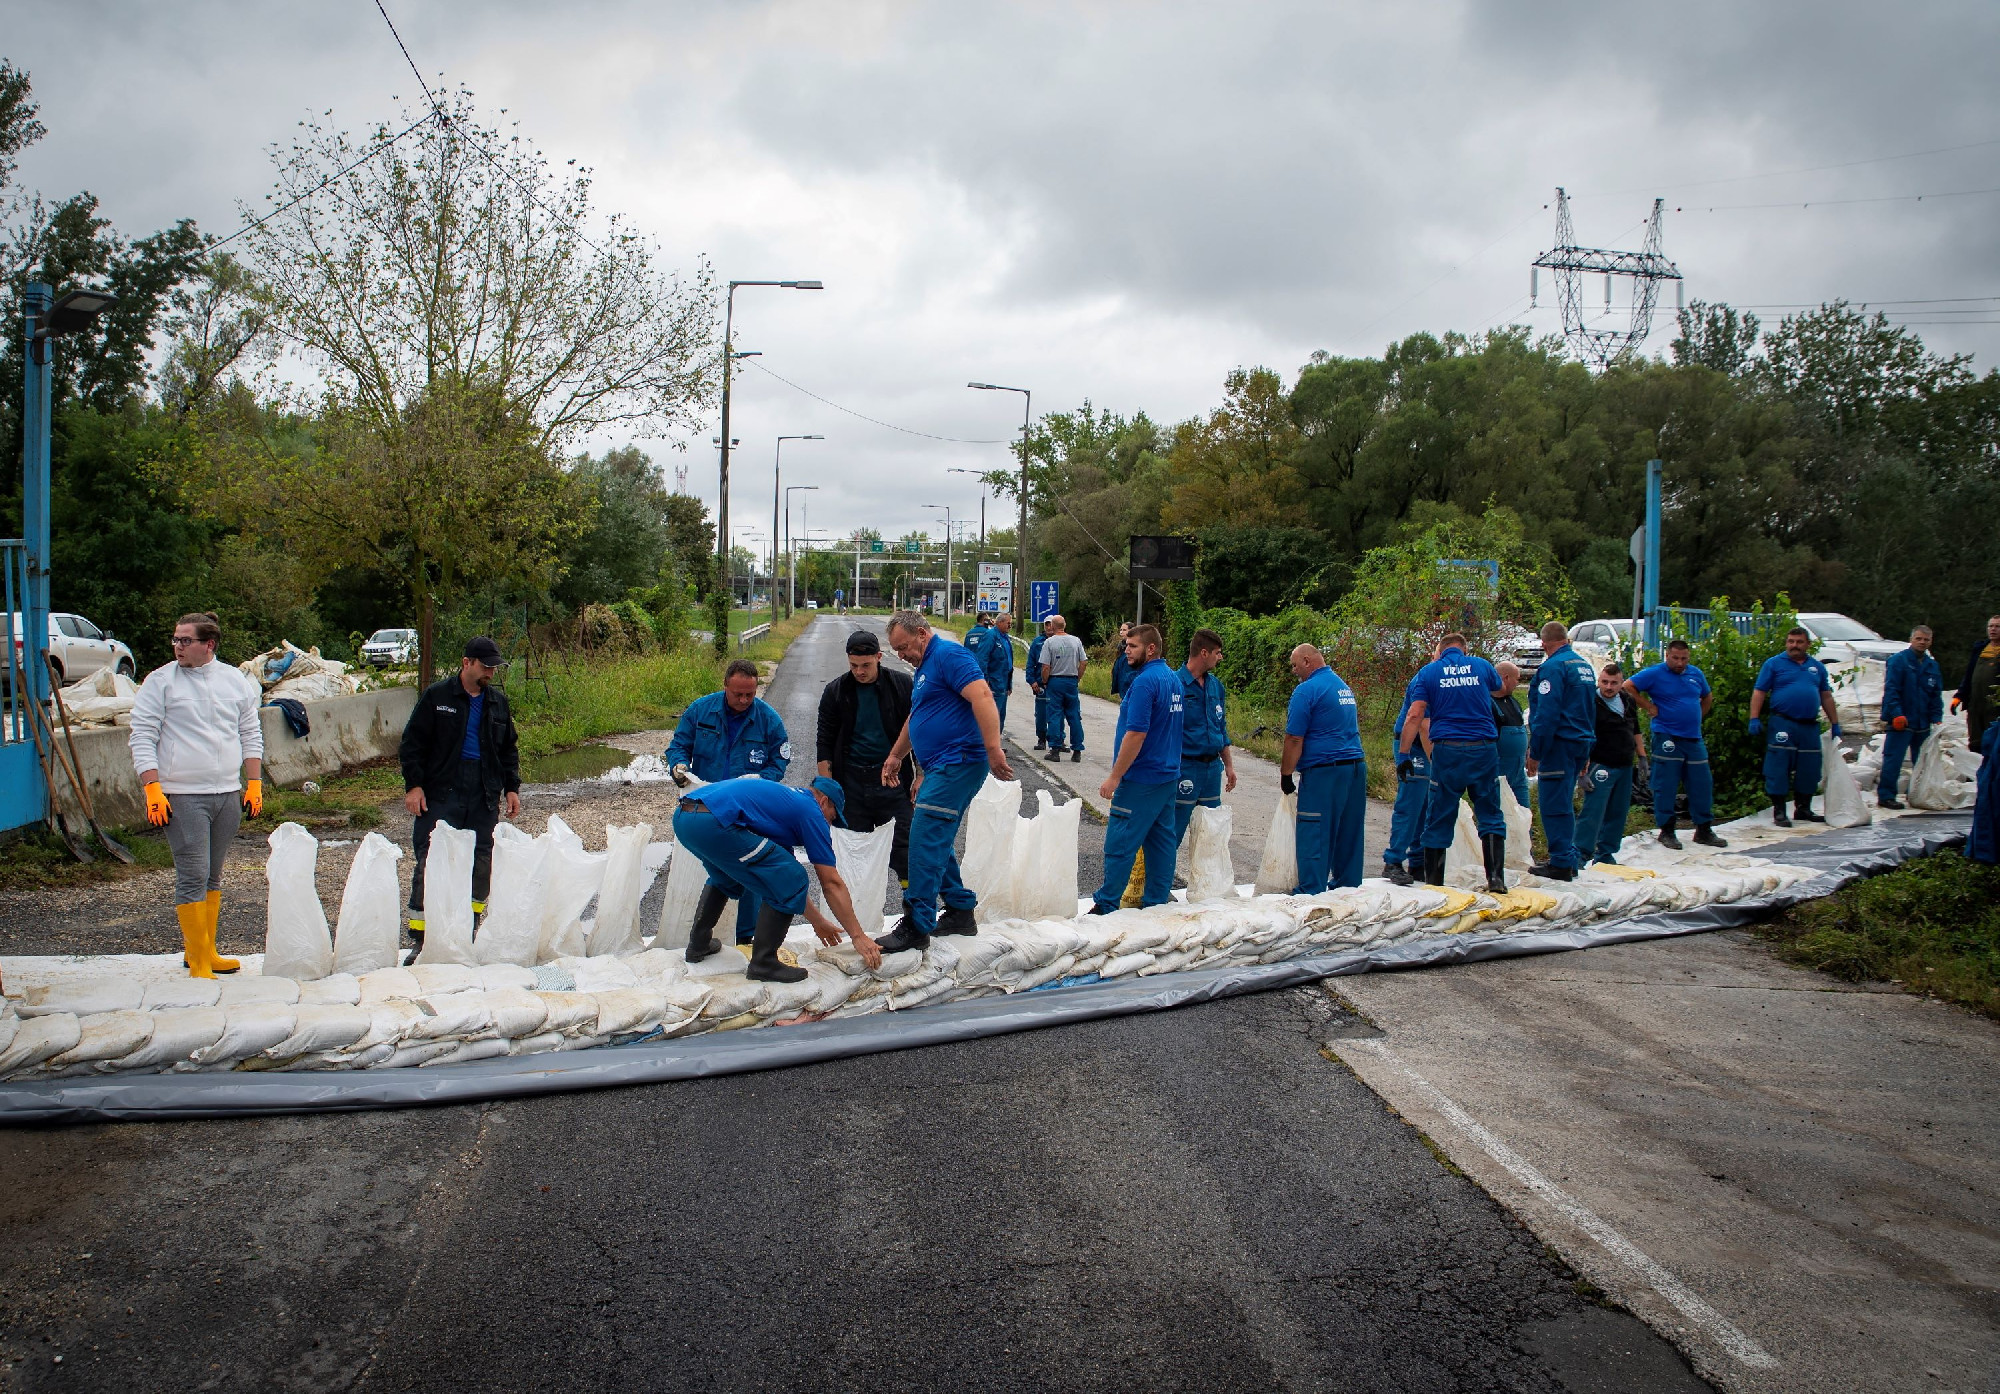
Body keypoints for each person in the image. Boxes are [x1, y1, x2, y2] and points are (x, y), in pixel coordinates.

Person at [128, 612, 265, 979]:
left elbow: (250, 732)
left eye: (185, 640)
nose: (177, 647)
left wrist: (254, 782)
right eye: (175, 640)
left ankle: (204, 950)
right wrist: (152, 787)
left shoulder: (234, 680)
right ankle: (199, 961)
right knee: (193, 874)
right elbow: (142, 736)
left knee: (213, 875)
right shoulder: (161, 682)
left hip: (226, 792)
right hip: (183, 794)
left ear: (209, 645)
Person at [874, 610, 1014, 952]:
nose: (901, 655)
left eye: (904, 646)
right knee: (937, 838)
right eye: (896, 650)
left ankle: (917, 925)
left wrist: (993, 749)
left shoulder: (949, 655)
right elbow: (918, 715)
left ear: (923, 633)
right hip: (942, 767)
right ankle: (960, 911)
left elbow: (983, 695)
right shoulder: (926, 666)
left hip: (958, 762)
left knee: (923, 840)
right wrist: (896, 755)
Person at [672, 774, 883, 979]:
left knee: (727, 878)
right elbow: (831, 882)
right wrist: (858, 935)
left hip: (685, 817)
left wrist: (817, 921)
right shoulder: (811, 812)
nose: (828, 824)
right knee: (794, 877)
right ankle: (764, 963)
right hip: (711, 822)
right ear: (824, 802)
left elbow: (780, 883)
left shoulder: (785, 805)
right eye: (832, 817)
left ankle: (698, 945)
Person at [398, 636, 522, 952]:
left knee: (481, 860)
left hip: (483, 792)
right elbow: (412, 745)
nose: (491, 673)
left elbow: (508, 749)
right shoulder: (437, 697)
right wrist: (414, 786)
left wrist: (511, 788)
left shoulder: (497, 703)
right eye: (485, 666)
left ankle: (467, 931)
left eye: (495, 667)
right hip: (442, 790)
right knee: (432, 859)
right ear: (467, 663)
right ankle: (422, 940)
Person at [666, 657, 791, 943]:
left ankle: (747, 937)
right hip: (704, 808)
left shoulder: (769, 720)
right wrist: (679, 767)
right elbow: (678, 746)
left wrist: (760, 783)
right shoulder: (700, 711)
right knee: (718, 870)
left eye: (751, 693)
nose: (745, 699)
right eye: (738, 694)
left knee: (749, 869)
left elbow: (778, 763)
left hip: (746, 811)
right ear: (725, 686)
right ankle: (697, 936)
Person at [1400, 632, 1508, 893]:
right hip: (1483, 749)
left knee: (1439, 815)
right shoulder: (1482, 665)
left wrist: (1404, 754)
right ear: (1464, 649)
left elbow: (1415, 714)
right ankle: (1495, 879)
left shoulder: (1429, 673)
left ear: (1440, 650)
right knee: (1490, 813)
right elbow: (1500, 690)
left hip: (1448, 751)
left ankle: (1435, 884)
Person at [1090, 624, 1184, 912]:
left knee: (1120, 843)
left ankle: (1106, 905)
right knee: (1161, 843)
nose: (1126, 650)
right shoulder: (1173, 679)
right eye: (1126, 646)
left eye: (1133, 647)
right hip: (1167, 777)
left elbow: (1136, 734)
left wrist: (1115, 777)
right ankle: (1156, 902)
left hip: (1140, 779)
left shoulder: (1145, 682)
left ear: (1151, 648)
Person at [817, 629, 915, 883]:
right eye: (853, 665)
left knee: (905, 849)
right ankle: (857, 914)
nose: (859, 671)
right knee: (852, 851)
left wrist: (922, 775)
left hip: (892, 780)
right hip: (851, 784)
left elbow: (922, 732)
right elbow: (824, 743)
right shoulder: (835, 692)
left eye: (866, 665)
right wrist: (827, 790)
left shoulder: (902, 686)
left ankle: (913, 911)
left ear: (879, 657)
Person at [1280, 643, 1368, 894]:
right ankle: (1347, 886)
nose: (1294, 671)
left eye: (1296, 666)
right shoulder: (1342, 686)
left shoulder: (1306, 691)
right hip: (1355, 768)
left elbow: (1294, 738)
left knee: (1314, 827)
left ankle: (1311, 888)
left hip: (1325, 771)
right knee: (1348, 830)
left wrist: (1286, 774)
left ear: (1307, 661)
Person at [1625, 638, 1728, 849]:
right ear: (1667, 656)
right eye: (1675, 658)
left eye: (1684, 659)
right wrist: (1648, 706)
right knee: (1666, 784)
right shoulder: (1655, 673)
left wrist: (1698, 715)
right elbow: (1628, 686)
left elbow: (1707, 697)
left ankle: (1703, 829)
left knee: (1702, 782)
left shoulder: (1695, 674)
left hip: (1693, 737)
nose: (1680, 663)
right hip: (1667, 736)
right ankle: (1667, 830)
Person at [1525, 622, 1597, 881]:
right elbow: (1589, 709)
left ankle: (1561, 861)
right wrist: (1587, 748)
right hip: (1579, 742)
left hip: (1559, 744)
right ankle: (1568, 856)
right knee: (1565, 801)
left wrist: (1536, 750)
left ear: (1544, 644)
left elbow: (1547, 714)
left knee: (1554, 804)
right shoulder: (1584, 667)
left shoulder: (1553, 668)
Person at [1749, 627, 1842, 827]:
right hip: (1783, 723)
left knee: (1809, 768)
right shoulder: (1774, 664)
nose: (1794, 645)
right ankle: (1780, 812)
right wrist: (1754, 718)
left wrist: (1835, 723)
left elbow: (1825, 695)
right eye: (1791, 641)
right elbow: (1759, 691)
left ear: (1808, 644)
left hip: (1808, 725)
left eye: (1799, 642)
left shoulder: (1817, 667)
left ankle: (1803, 809)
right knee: (1778, 766)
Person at [1173, 628, 1238, 854]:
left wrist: (1228, 766)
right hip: (1185, 767)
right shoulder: (1175, 684)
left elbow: (1221, 727)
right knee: (1173, 830)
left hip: (1211, 769)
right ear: (1204, 652)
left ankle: (1205, 885)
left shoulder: (1215, 686)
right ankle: (1159, 884)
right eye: (1217, 653)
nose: (1220, 657)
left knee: (1210, 831)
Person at [1576, 661, 1641, 865]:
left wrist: (1643, 758)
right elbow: (1582, 735)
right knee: (1593, 811)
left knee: (1618, 811)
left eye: (1614, 683)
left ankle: (1606, 852)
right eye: (1605, 682)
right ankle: (1580, 852)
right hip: (1600, 764)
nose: (1609, 687)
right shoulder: (1590, 702)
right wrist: (1582, 771)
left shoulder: (1627, 700)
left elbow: (1636, 730)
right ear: (1598, 681)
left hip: (1624, 763)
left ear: (1622, 683)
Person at [1878, 626, 1945, 809]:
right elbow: (1892, 690)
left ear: (1930, 642)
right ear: (1911, 639)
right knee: (1894, 758)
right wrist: (1896, 713)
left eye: (1926, 640)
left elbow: (1935, 694)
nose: (1922, 642)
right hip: (1902, 720)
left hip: (1922, 721)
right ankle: (1886, 795)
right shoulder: (1898, 661)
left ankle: (1916, 793)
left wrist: (1937, 717)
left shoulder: (1932, 666)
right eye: (1919, 638)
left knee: (1922, 761)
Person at [1381, 665, 1432, 886]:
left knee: (1427, 803)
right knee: (1412, 802)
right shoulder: (1428, 678)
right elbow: (1421, 724)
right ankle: (1393, 861)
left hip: (1429, 743)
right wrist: (1436, 764)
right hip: (1412, 745)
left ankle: (1418, 862)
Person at [1039, 613, 1088, 761]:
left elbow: (1046, 667)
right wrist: (1077, 677)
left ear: (1052, 626)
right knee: (1074, 716)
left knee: (1055, 715)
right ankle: (1077, 750)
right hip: (1071, 681)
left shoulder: (1049, 643)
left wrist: (1045, 681)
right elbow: (1084, 662)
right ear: (1064, 625)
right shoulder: (1076, 641)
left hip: (1055, 681)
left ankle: (1055, 749)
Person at [1954, 615, 2000, 751]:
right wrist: (1959, 696)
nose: (1993, 629)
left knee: (1994, 744)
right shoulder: (1980, 648)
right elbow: (1969, 675)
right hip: (1975, 705)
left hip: (1995, 709)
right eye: (1990, 626)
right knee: (1975, 743)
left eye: (1997, 626)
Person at [1492, 661, 1529, 810]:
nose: (1518, 683)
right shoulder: (1488, 704)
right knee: (1501, 814)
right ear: (1506, 678)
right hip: (1499, 772)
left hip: (1519, 772)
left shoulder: (1513, 701)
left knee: (1524, 814)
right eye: (1517, 679)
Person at [983, 611, 1016, 727]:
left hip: (1003, 684)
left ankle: (997, 743)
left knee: (1001, 716)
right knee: (993, 717)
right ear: (1000, 622)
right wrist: (985, 680)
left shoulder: (1005, 638)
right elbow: (983, 659)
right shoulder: (991, 636)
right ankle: (988, 744)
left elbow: (1008, 663)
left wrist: (1009, 685)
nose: (1010, 626)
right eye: (1008, 623)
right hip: (994, 683)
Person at [1027, 618, 1052, 750]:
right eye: (1047, 624)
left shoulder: (1062, 640)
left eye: (1051, 624)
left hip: (1055, 683)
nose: (1049, 627)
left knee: (1057, 713)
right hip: (1041, 683)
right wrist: (1032, 681)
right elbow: (1030, 663)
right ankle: (1041, 738)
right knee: (1041, 713)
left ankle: (1058, 738)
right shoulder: (1037, 643)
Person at [1109, 622, 1134, 701]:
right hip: (1122, 684)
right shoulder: (1121, 647)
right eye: (1120, 630)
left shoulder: (1134, 647)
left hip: (1128, 684)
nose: (1121, 632)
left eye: (1124, 630)